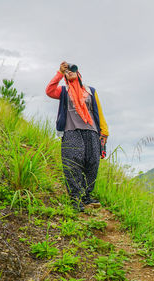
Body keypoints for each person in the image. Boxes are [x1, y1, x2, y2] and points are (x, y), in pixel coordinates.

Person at [46, 61, 109, 212]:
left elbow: (98, 111)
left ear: (78, 72)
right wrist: (60, 73)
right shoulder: (63, 91)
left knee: (92, 163)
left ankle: (86, 197)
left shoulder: (91, 91)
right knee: (72, 163)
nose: (70, 72)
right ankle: (75, 198)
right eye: (67, 71)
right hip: (71, 130)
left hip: (91, 130)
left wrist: (104, 131)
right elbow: (49, 90)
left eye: (72, 70)